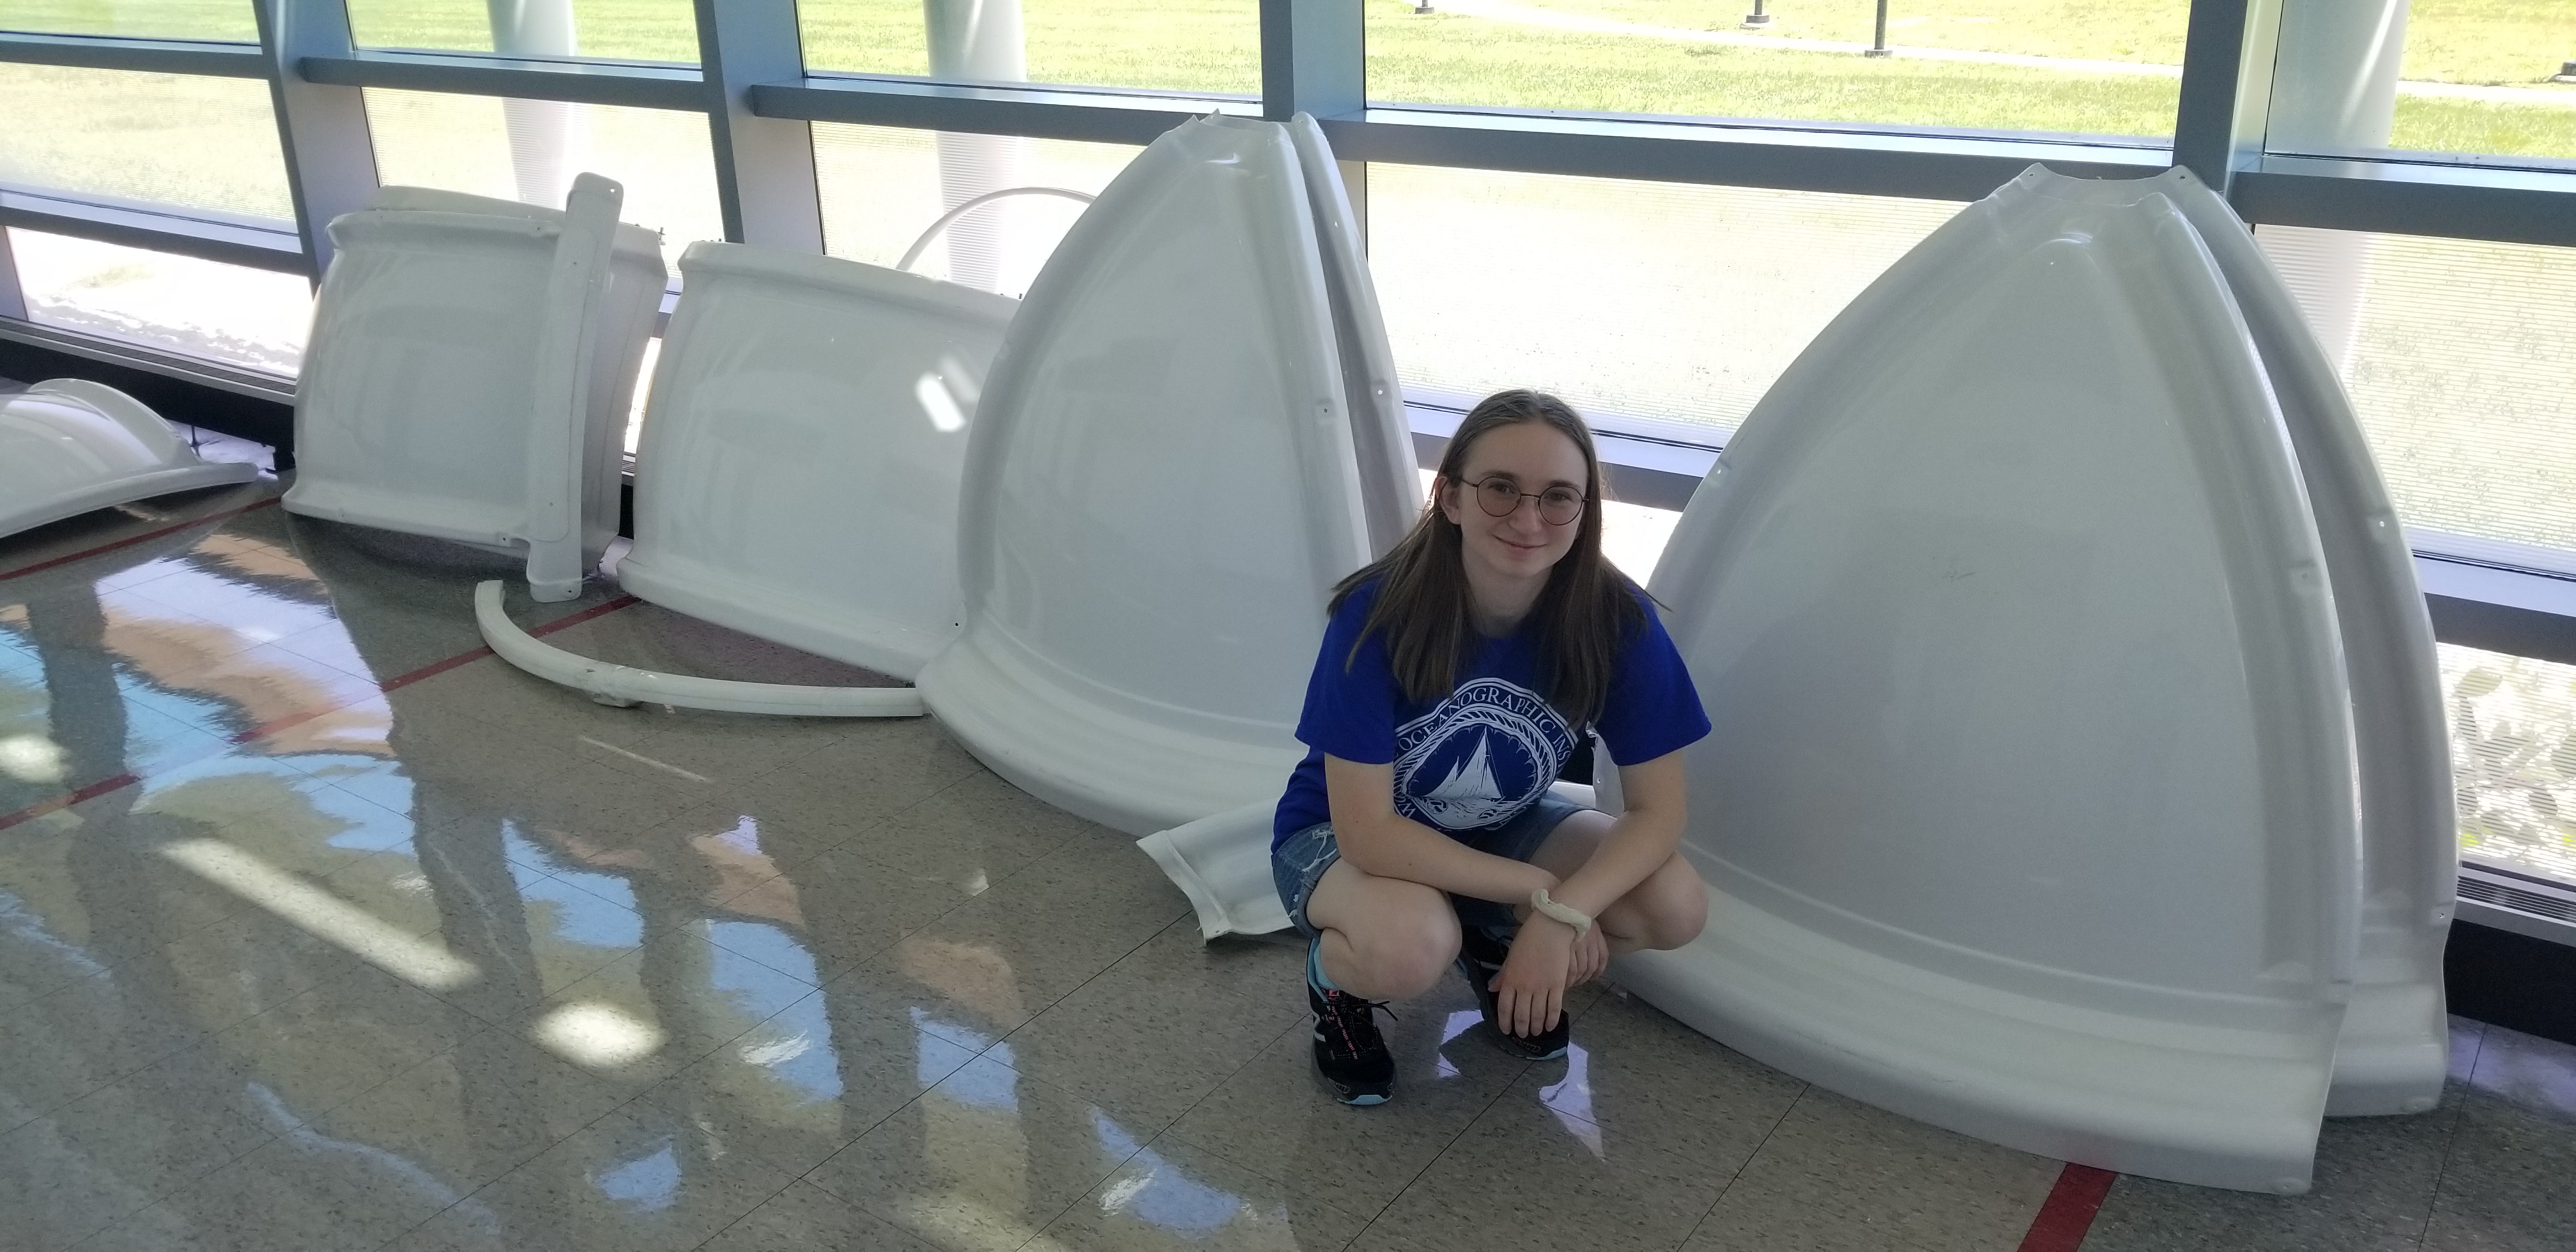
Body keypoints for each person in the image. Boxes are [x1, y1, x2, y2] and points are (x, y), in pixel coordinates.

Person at [1271, 388, 1712, 1106]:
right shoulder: (1375, 614)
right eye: (1501, 488)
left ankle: (1490, 939)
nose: (1529, 519)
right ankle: (1338, 982)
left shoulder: (1617, 620)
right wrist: (1547, 902)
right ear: (1449, 497)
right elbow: (1369, 834)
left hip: (1495, 827)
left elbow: (1658, 813)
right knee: (1411, 945)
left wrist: (1560, 914)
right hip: (1339, 839)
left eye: (1558, 496)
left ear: (1585, 511)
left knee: (1672, 903)